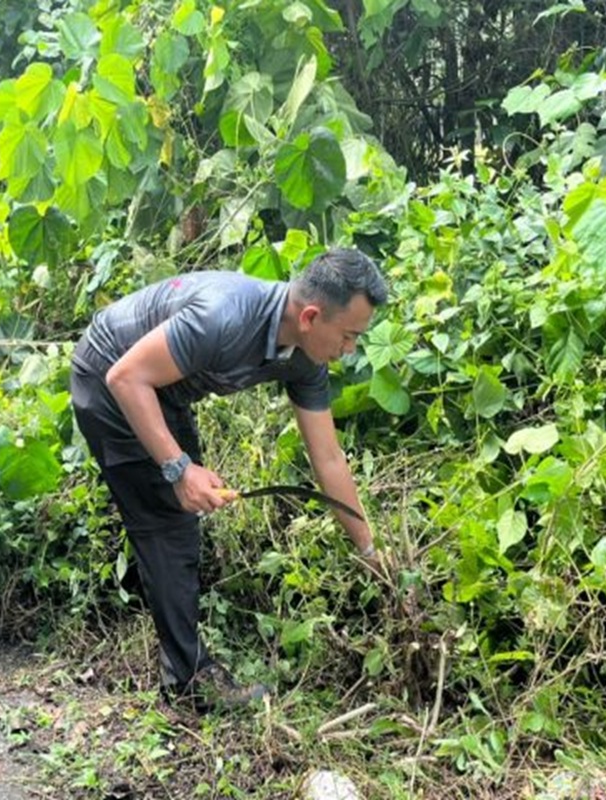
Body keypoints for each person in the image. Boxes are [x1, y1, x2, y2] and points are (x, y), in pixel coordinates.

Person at [70, 248, 387, 710]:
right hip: (109, 376)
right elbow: (125, 377)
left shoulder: (304, 359)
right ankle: (187, 682)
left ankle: (166, 618)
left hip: (161, 390)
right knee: (168, 522)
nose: (350, 349)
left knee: (175, 515)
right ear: (312, 316)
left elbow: (329, 458)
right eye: (349, 336)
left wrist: (370, 550)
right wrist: (179, 470)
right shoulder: (224, 317)